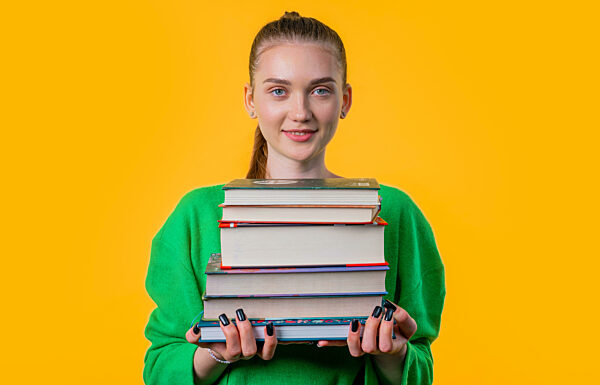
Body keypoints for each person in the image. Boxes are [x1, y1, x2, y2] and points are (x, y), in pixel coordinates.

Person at [143, 11, 445, 385]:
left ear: (345, 100)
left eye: (320, 90)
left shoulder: (393, 212)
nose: (300, 113)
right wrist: (214, 353)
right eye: (278, 91)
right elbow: (159, 371)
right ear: (251, 100)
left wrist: (393, 353)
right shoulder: (195, 216)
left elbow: (420, 370)